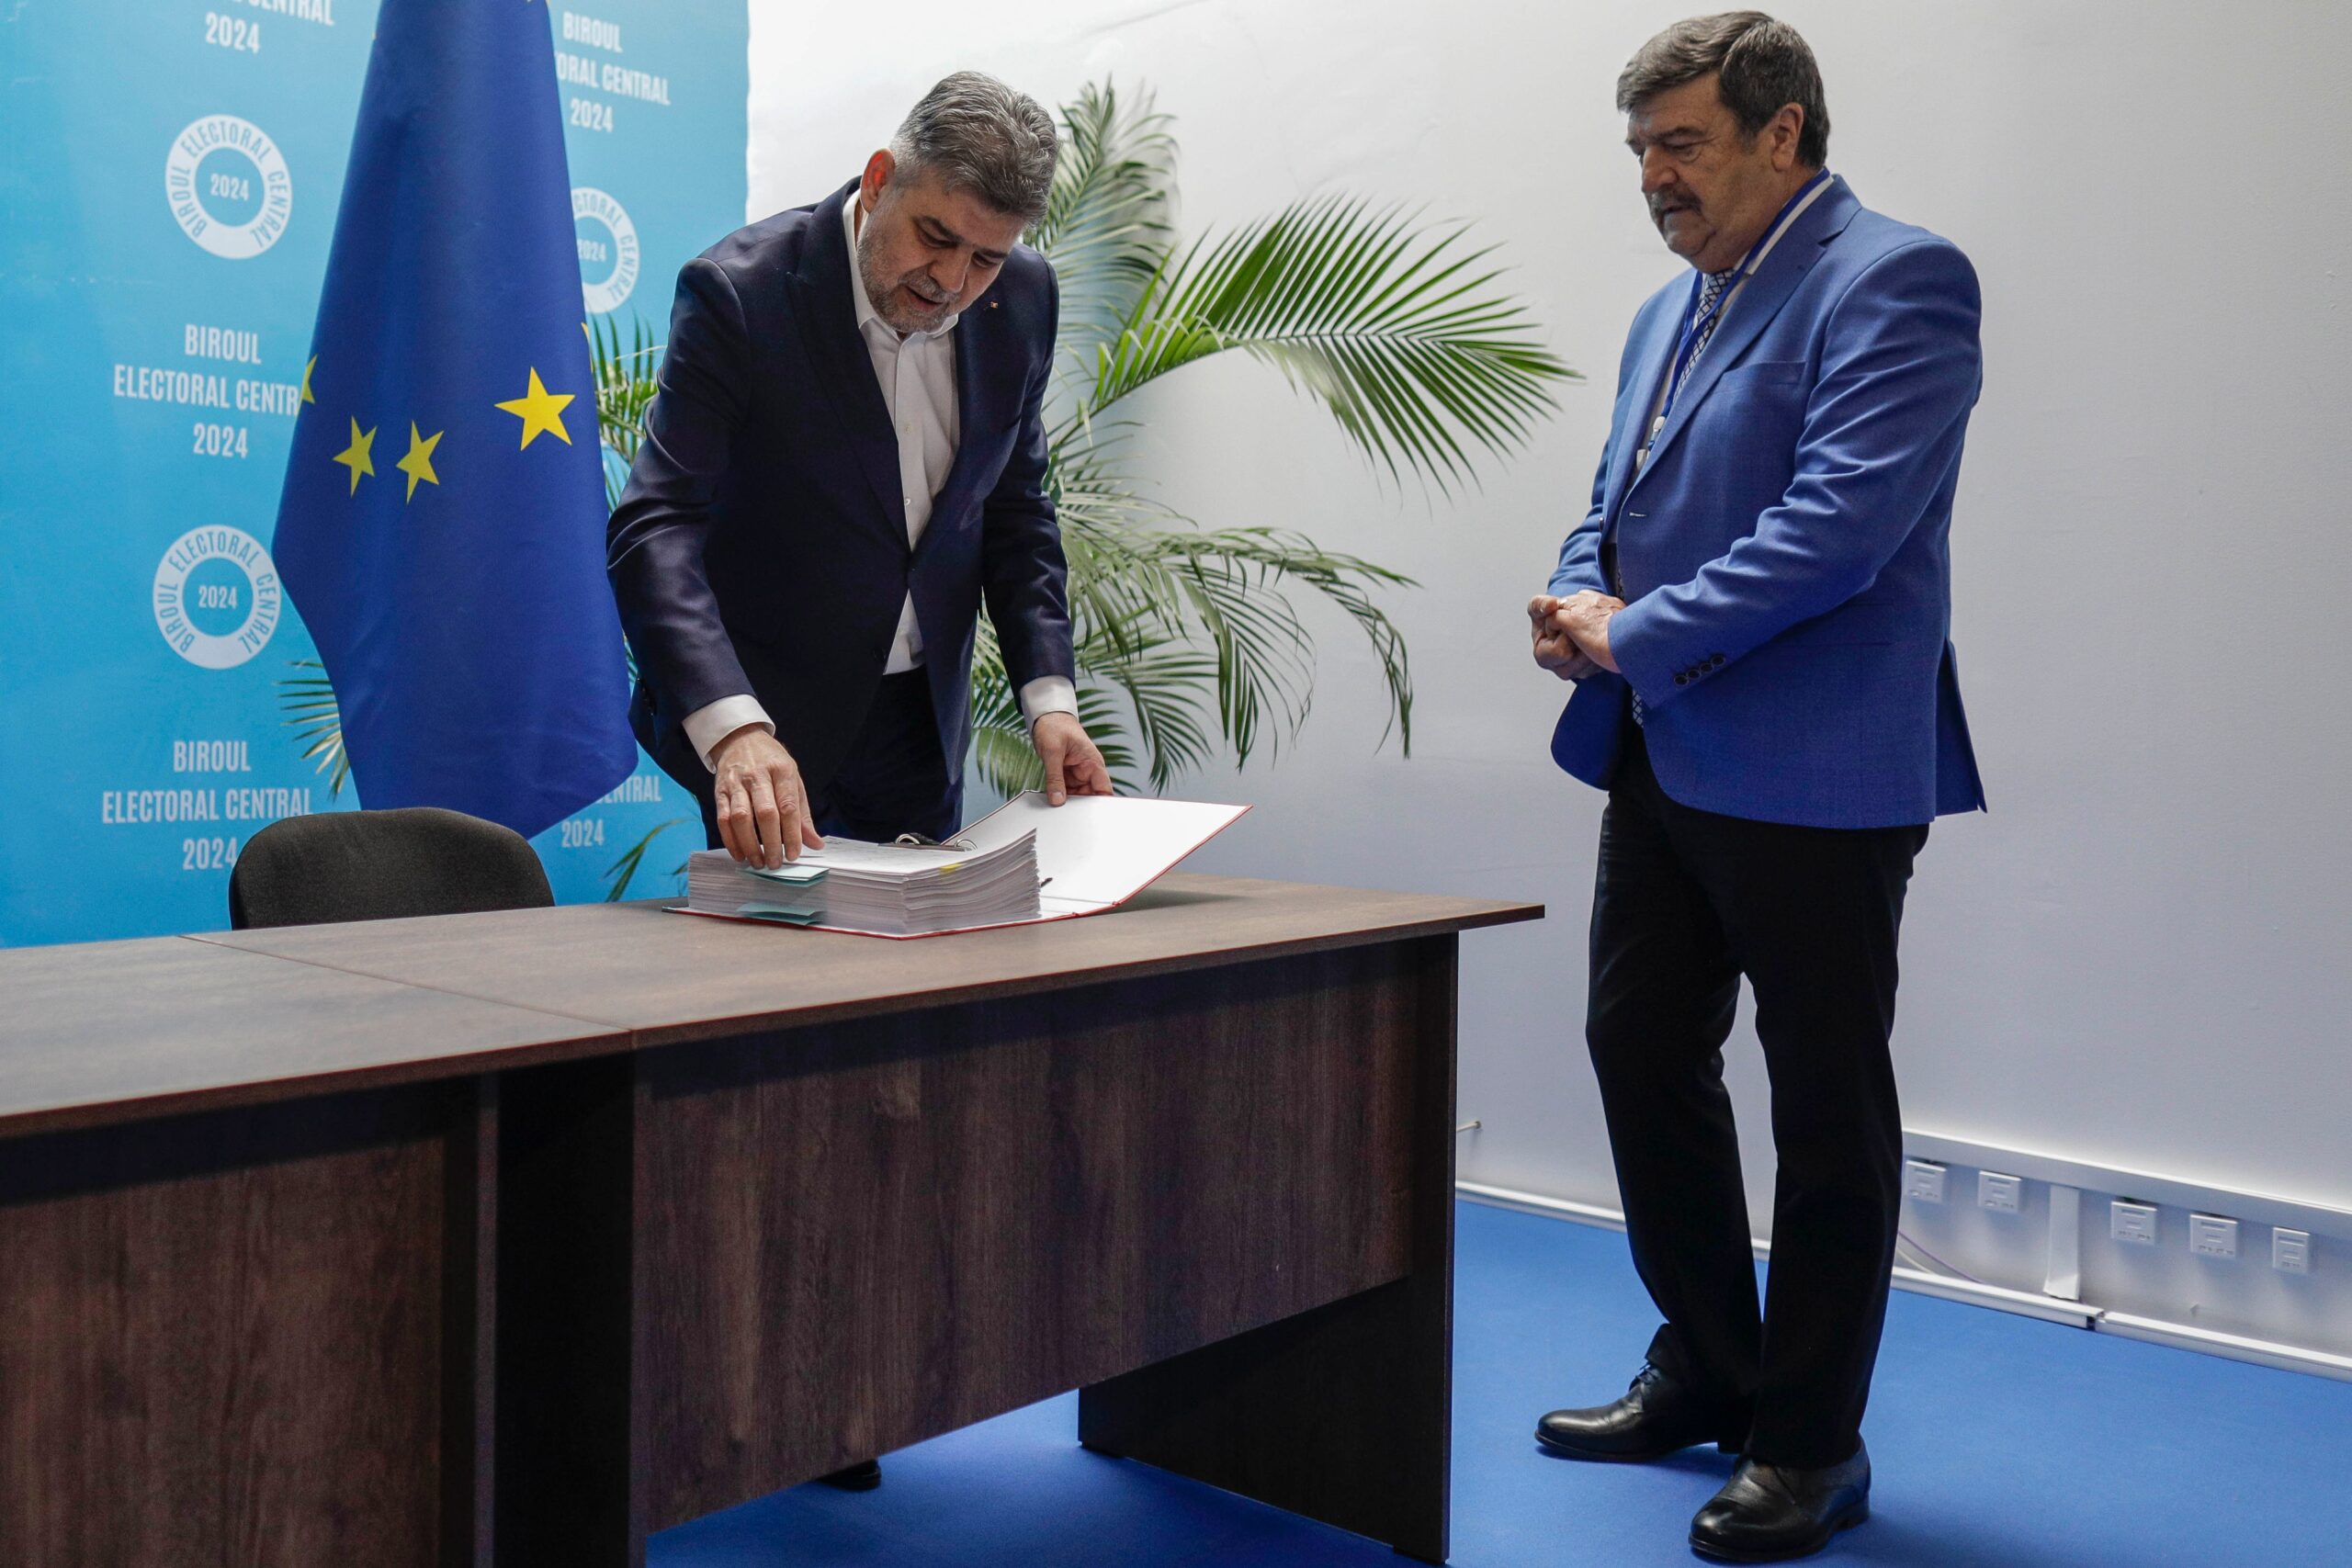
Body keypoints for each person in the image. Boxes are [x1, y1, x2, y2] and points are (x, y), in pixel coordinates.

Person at [1528, 13, 1984, 1561]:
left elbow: (1838, 529)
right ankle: (1713, 1365)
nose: (1654, 176)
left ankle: (1808, 1440)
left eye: (1683, 143)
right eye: (1641, 149)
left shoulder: (1900, 280)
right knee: (1638, 1044)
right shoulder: (1669, 307)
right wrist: (1577, 593)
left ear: (1782, 131)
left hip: (1821, 767)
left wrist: (1635, 630)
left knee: (1825, 1105)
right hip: (1661, 748)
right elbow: (1613, 498)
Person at [609, 72, 1111, 885]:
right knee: (772, 957)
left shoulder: (1023, 300)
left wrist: (1050, 702)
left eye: (986, 257)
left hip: (919, 729)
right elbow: (656, 522)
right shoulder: (741, 293)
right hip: (767, 722)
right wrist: (734, 728)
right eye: (935, 236)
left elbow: (1015, 508)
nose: (952, 281)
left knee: (919, 952)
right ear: (880, 180)